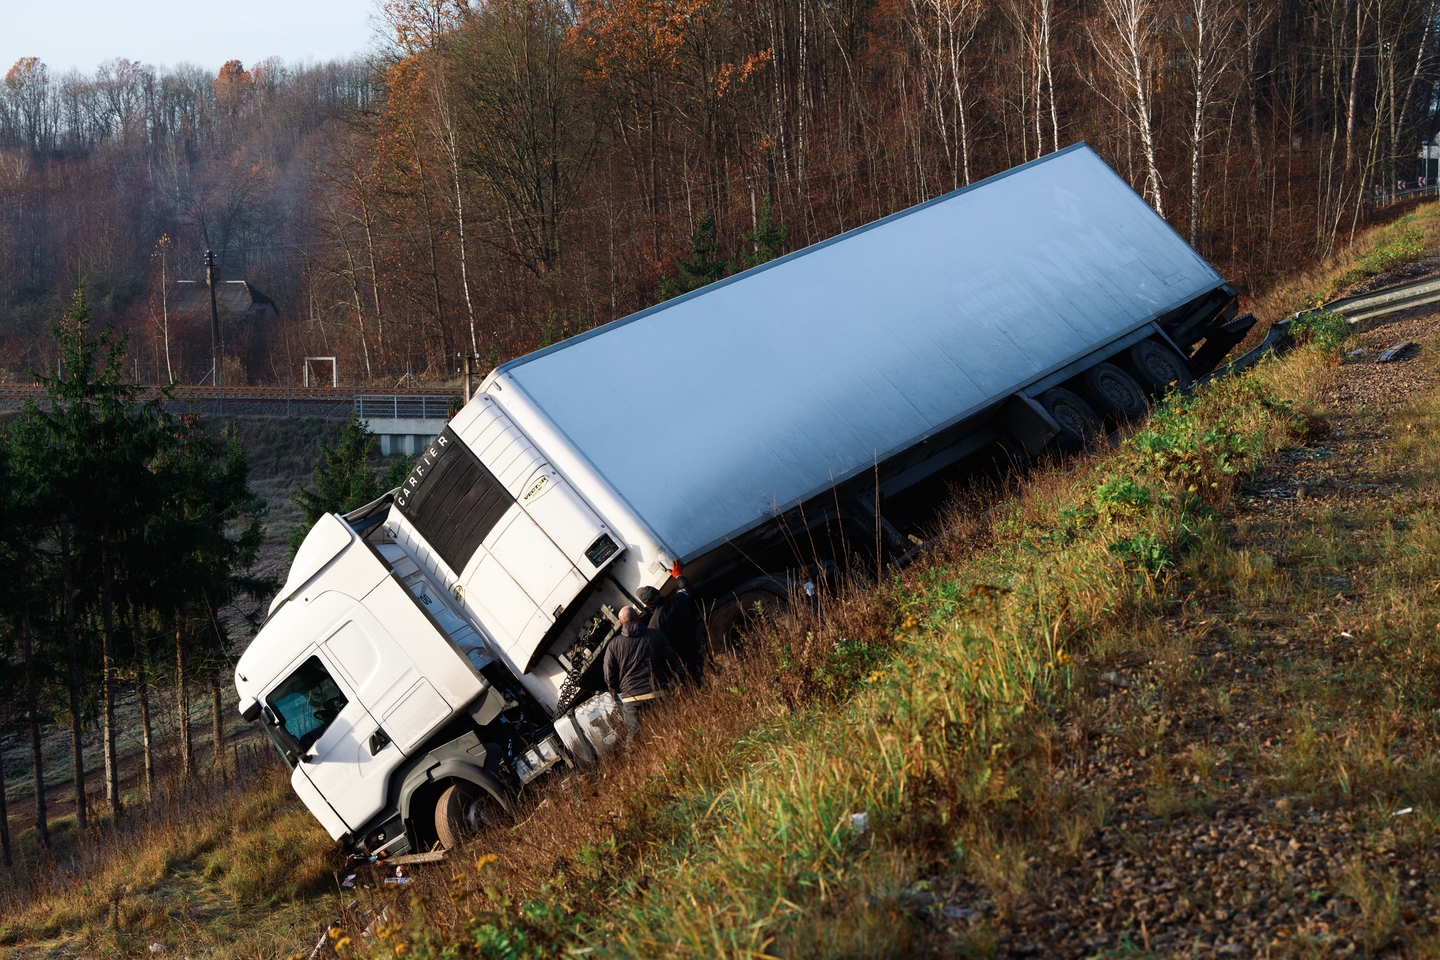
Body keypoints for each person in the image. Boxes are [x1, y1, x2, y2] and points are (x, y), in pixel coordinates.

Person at [604, 605, 683, 733]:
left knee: (636, 739)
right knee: (674, 730)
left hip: (631, 698)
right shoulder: (656, 634)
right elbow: (671, 661)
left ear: (620, 623)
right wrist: (665, 680)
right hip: (658, 691)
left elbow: (609, 674)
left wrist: (618, 689)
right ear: (638, 618)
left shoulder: (613, 645)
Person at [637, 560, 703, 682]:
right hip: (694, 648)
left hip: (680, 660)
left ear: (647, 605)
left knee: (693, 685)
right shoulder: (678, 599)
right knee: (702, 676)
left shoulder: (654, 624)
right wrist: (678, 575)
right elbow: (686, 588)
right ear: (658, 592)